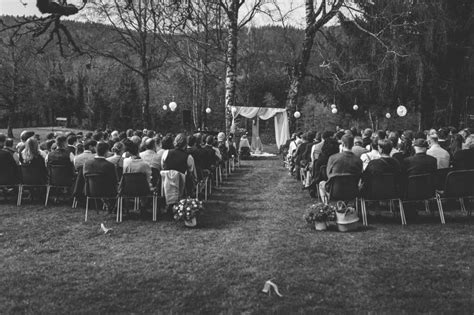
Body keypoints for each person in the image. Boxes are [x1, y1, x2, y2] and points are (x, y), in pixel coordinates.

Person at [319, 135, 362, 201]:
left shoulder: (333, 158)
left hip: (334, 191)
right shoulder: (358, 160)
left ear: (342, 144)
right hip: (352, 191)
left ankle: (327, 207)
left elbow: (328, 175)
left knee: (321, 183)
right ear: (353, 144)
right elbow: (359, 176)